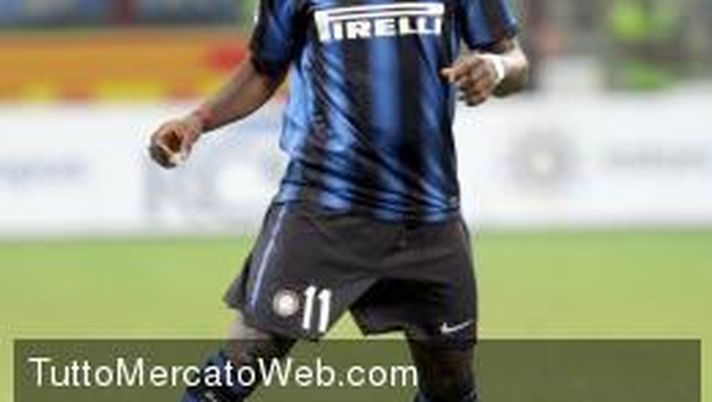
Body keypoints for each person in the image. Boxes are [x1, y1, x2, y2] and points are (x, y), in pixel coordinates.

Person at [148, 0, 528, 400]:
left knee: (450, 384)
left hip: (427, 215)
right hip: (323, 206)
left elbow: (515, 60)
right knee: (247, 358)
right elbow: (263, 68)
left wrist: (497, 68)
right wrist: (197, 121)